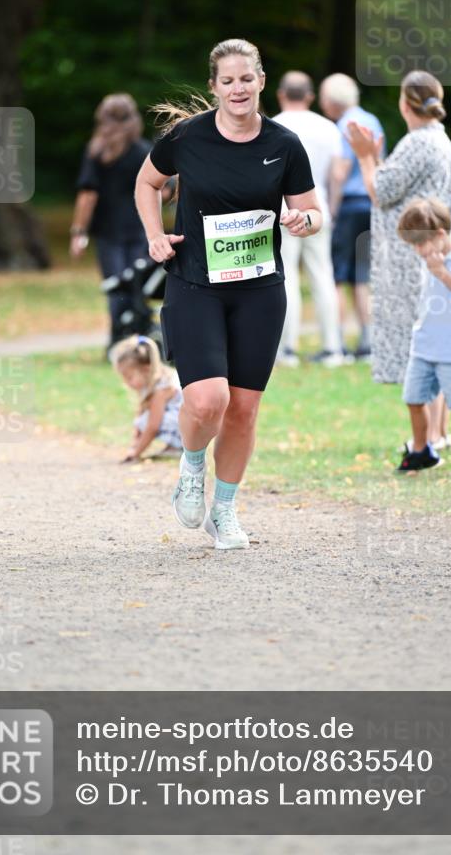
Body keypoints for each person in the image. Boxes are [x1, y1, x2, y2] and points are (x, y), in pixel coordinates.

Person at [135, 38, 322, 550]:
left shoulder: (284, 144)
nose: (238, 88)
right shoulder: (187, 138)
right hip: (195, 284)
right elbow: (147, 184)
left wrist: (304, 221)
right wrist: (154, 235)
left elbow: (312, 210)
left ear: (262, 81)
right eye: (227, 80)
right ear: (214, 87)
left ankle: (225, 510)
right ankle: (192, 468)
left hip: (260, 291)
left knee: (243, 408)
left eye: (246, 78)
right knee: (208, 398)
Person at [347, 70, 451, 450]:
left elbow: (380, 190)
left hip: (413, 259)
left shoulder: (417, 143)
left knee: (422, 346)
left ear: (405, 103)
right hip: (433, 252)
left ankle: (427, 437)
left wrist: (364, 157)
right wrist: (377, 156)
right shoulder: (439, 140)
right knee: (434, 342)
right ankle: (438, 433)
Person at [396, 198, 451, 476]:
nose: (418, 251)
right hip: (424, 344)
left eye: (420, 244)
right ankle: (422, 450)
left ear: (441, 235)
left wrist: (442, 273)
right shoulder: (429, 259)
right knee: (413, 398)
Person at [272, 71, 343, 367]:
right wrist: (331, 209)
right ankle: (332, 347)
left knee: (286, 276)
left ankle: (287, 348)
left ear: (280, 94)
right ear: (311, 97)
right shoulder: (328, 128)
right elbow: (337, 175)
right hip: (318, 209)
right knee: (323, 276)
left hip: (283, 211)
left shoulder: (274, 126)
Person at [69, 94, 150, 349]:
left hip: (108, 232)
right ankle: (138, 340)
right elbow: (162, 189)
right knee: (137, 286)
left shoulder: (97, 152)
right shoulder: (143, 152)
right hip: (140, 229)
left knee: (115, 285)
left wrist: (78, 232)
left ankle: (117, 341)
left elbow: (87, 195)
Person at [319, 73, 385, 360]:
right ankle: (368, 341)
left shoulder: (344, 126)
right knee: (363, 275)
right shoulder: (372, 120)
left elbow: (339, 171)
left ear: (332, 101)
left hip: (347, 207)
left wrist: (330, 210)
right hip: (371, 205)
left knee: (337, 275)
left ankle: (337, 341)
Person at [111, 335, 183, 463]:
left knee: (145, 420)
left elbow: (152, 426)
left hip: (186, 422)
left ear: (146, 369)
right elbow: (141, 413)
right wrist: (134, 445)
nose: (126, 383)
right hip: (182, 420)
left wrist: (136, 454)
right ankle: (174, 446)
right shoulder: (151, 381)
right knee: (142, 419)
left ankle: (178, 446)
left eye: (129, 377)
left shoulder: (162, 388)